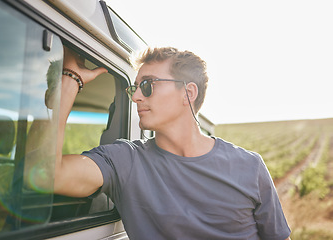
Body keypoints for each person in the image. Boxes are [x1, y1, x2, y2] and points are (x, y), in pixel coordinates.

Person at [54, 46, 291, 240]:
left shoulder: (250, 166)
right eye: (135, 88)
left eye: (148, 85)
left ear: (188, 93)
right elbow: (48, 174)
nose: (136, 96)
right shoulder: (125, 160)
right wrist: (70, 80)